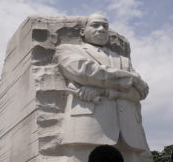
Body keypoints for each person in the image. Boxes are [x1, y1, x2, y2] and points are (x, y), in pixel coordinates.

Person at [54, 13, 152, 162]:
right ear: (82, 32)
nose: (101, 29)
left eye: (105, 27)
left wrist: (108, 90)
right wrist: (131, 78)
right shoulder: (68, 50)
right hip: (89, 127)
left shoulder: (123, 60)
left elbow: (142, 91)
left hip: (129, 133)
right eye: (95, 25)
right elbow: (85, 71)